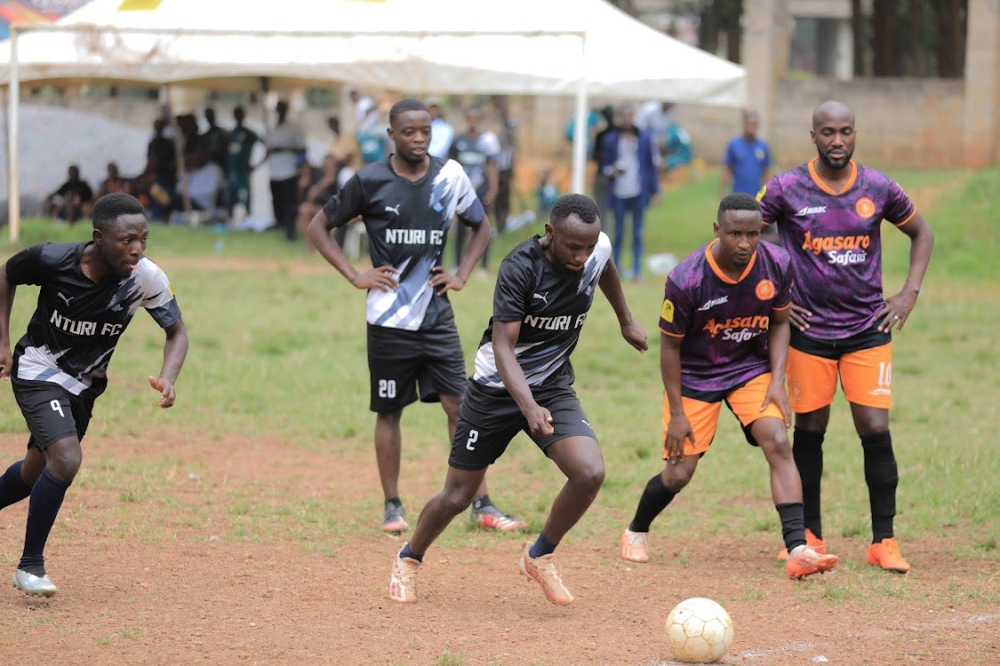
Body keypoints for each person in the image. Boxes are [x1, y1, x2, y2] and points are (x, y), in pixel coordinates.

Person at [388, 193, 649, 606]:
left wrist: (626, 320)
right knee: (457, 496)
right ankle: (408, 559)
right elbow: (504, 346)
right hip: (495, 389)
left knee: (589, 472)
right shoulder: (520, 268)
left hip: (550, 385)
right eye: (572, 247)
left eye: (588, 246)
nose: (582, 256)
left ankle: (539, 555)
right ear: (550, 234)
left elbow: (606, 267)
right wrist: (527, 408)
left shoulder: (595, 249)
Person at [307, 98, 524, 535]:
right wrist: (354, 274)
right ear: (392, 135)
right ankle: (392, 506)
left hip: (437, 316)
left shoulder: (450, 176)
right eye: (409, 131)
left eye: (425, 130)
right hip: (387, 320)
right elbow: (317, 226)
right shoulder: (368, 180)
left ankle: (480, 501)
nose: (419, 139)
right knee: (389, 411)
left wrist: (462, 274)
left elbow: (480, 224)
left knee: (460, 406)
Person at [618, 192, 839, 580]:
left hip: (748, 370)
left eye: (753, 234)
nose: (744, 244)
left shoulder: (777, 263)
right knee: (679, 473)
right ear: (717, 230)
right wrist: (678, 414)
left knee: (777, 439)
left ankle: (797, 548)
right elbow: (669, 348)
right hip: (695, 377)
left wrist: (776, 382)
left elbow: (781, 322)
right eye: (735, 234)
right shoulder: (686, 279)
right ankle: (636, 529)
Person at [757, 100, 935, 573]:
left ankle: (884, 540)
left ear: (855, 134)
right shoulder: (786, 187)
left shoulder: (877, 186)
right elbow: (749, 230)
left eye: (846, 131)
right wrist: (776, 294)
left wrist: (908, 294)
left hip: (867, 329)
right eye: (828, 132)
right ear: (813, 136)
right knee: (811, 432)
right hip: (808, 332)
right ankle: (809, 535)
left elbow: (922, 233)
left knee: (874, 430)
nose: (838, 140)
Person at [0, 192, 189, 597]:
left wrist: (168, 376)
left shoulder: (145, 277)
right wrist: (1, 340)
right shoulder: (52, 260)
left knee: (36, 474)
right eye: (126, 240)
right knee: (66, 459)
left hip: (84, 388)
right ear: (98, 237)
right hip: (38, 368)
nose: (136, 249)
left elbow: (177, 331)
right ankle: (30, 566)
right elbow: (6, 274)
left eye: (143, 238)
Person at [597, 103, 661, 281]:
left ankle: (637, 269)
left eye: (629, 115)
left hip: (638, 191)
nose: (626, 119)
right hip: (618, 191)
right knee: (618, 232)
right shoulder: (611, 139)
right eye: (623, 116)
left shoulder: (644, 138)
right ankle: (615, 268)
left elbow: (650, 165)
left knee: (637, 233)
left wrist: (656, 190)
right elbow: (604, 166)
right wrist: (612, 171)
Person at [449, 105, 499, 271]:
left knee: (483, 226)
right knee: (461, 228)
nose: (472, 121)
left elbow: (492, 166)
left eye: (475, 118)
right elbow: (451, 165)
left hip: (482, 191)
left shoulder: (487, 140)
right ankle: (457, 263)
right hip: (463, 191)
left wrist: (493, 190)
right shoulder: (458, 140)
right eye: (470, 118)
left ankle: (483, 266)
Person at [265, 100, 307, 241]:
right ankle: (280, 228)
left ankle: (291, 232)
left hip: (289, 172)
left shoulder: (293, 129)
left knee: (290, 204)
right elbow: (268, 151)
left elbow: (302, 149)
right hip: (274, 173)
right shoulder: (273, 129)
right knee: (277, 204)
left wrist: (284, 148)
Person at [721, 110, 772, 197]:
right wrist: (722, 193)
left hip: (756, 196)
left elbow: (766, 172)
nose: (751, 126)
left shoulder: (763, 146)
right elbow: (727, 170)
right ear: (744, 124)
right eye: (749, 123)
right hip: (737, 195)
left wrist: (769, 194)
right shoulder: (734, 145)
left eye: (754, 124)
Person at [226, 106, 262, 220]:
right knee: (230, 198)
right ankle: (230, 222)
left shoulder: (250, 134)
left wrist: (255, 165)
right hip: (231, 171)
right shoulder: (230, 134)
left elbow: (266, 146)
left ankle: (248, 221)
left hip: (243, 171)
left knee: (245, 197)